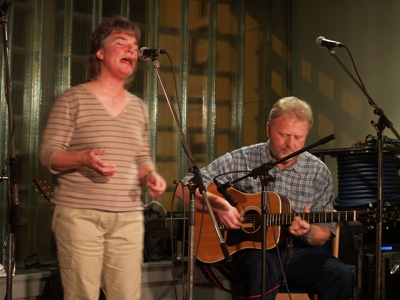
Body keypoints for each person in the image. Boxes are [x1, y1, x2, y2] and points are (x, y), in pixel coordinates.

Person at [39, 16, 167, 300]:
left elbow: (142, 157)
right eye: (121, 44)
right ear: (100, 52)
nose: (131, 51)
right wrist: (82, 159)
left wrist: (150, 175)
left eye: (134, 47)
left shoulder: (139, 108)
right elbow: (48, 153)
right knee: (82, 294)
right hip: (80, 216)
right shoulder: (73, 100)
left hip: (129, 217)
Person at [176, 96, 354, 299]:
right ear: (268, 130)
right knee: (263, 266)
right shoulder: (242, 158)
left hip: (297, 252)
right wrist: (218, 206)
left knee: (340, 275)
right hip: (251, 251)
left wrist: (309, 231)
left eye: (298, 137)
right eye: (283, 135)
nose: (290, 144)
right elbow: (185, 187)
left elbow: (326, 231)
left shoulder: (317, 171)